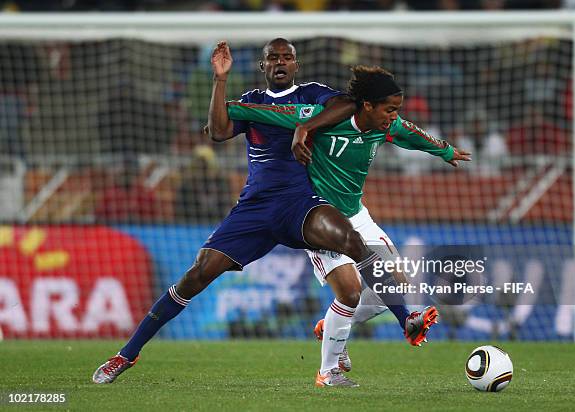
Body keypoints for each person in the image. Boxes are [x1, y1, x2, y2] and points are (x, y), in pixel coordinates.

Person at [92, 39, 434, 388]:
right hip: (255, 208)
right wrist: (220, 79)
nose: (281, 62)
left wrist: (306, 127)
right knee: (197, 274)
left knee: (352, 240)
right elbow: (219, 131)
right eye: (274, 57)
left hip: (302, 201)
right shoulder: (252, 102)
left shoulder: (313, 94)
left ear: (296, 66)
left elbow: (347, 105)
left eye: (287, 57)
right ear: (263, 66)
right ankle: (126, 354)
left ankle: (405, 318)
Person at [226, 65, 471, 387]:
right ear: (367, 105)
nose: (393, 116)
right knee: (351, 292)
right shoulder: (326, 119)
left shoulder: (385, 125)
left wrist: (444, 151)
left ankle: (331, 328)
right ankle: (328, 372)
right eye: (389, 108)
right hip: (320, 219)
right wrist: (230, 107)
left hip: (357, 215)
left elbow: (412, 134)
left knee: (394, 284)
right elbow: (276, 114)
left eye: (396, 109)